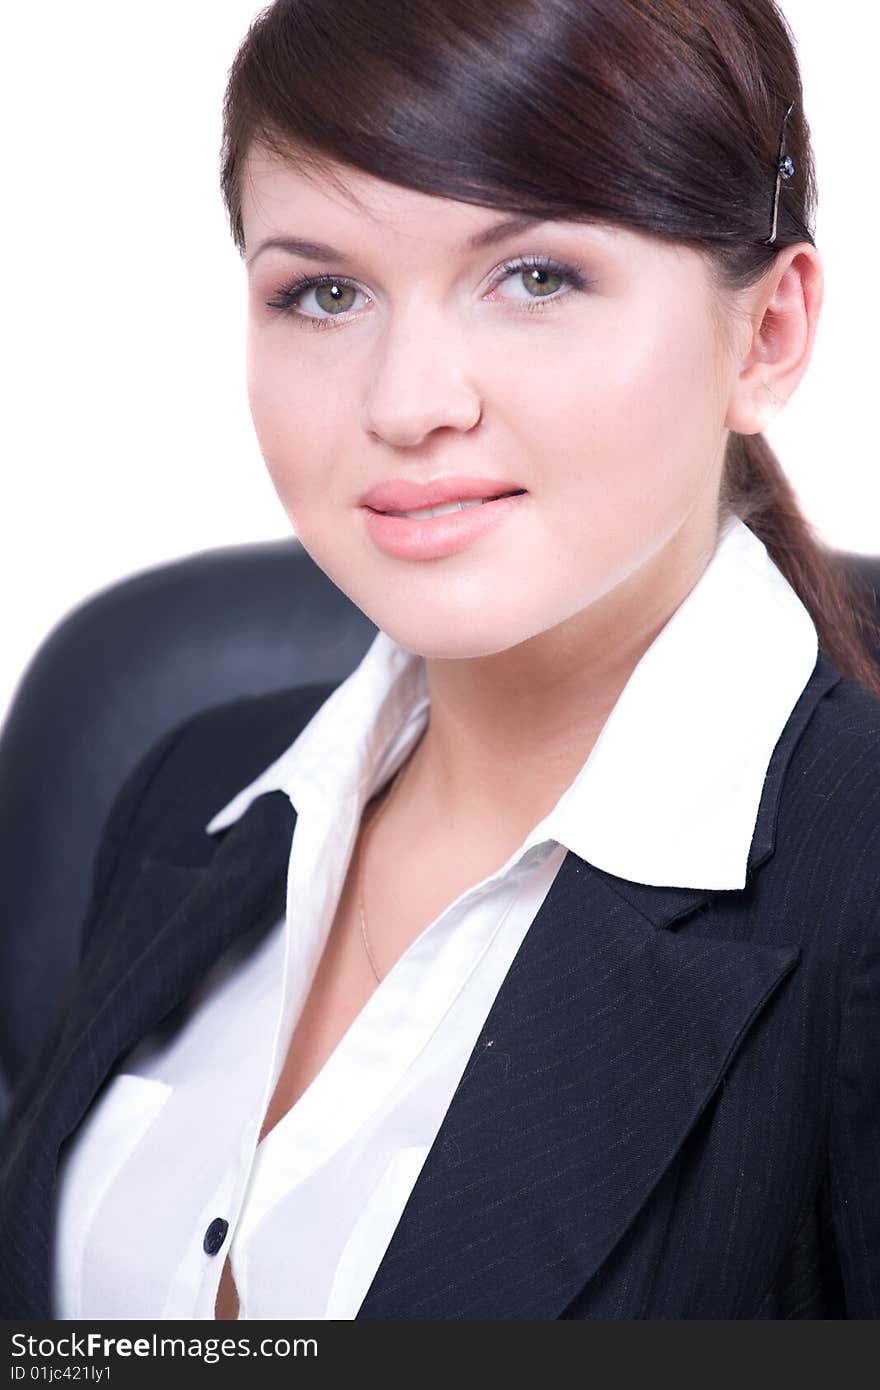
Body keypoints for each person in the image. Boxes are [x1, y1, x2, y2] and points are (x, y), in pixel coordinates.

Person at [1, 0, 879, 1321]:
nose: (409, 402)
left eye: (536, 276)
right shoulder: (187, 786)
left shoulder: (855, 885)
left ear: (769, 332)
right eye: (325, 291)